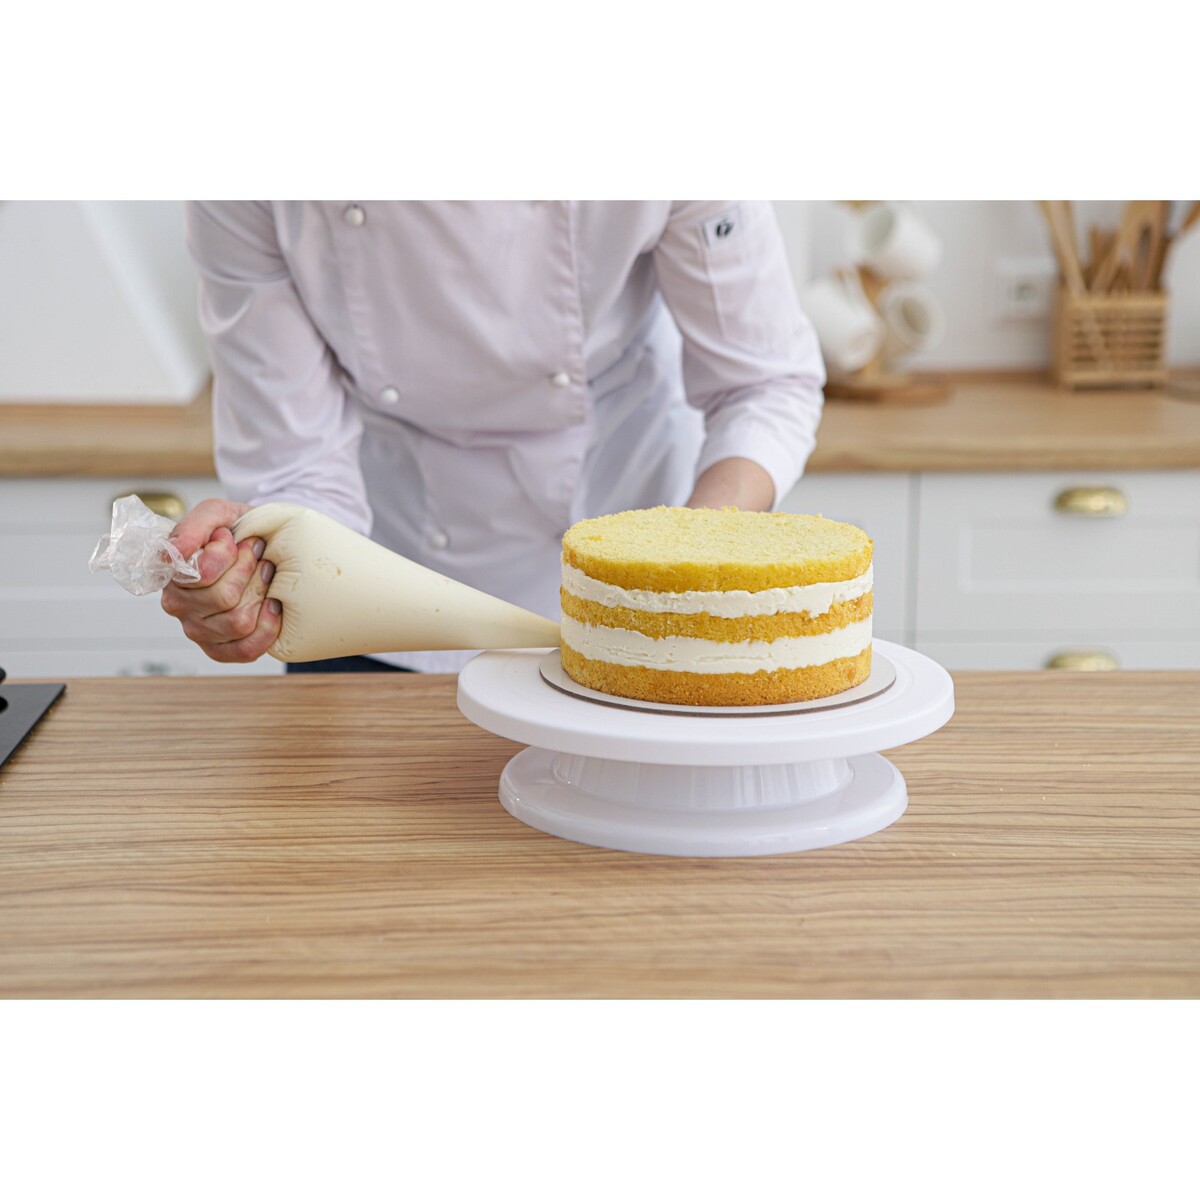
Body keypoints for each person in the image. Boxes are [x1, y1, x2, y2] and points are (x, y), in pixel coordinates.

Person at [162, 202, 826, 673]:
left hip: (634, 586)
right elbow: (299, 467)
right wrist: (254, 569)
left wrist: (693, 550)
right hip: (380, 593)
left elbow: (763, 385)